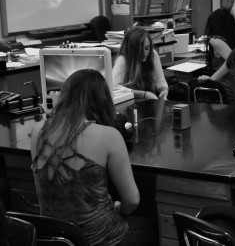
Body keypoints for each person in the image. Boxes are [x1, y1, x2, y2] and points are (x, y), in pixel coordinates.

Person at [30, 69, 153, 246]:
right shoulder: (109, 135)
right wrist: (119, 208)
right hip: (101, 239)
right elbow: (132, 201)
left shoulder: (37, 130)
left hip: (54, 237)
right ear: (101, 100)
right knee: (147, 227)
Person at [197, 8, 235, 104]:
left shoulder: (215, 40)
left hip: (228, 87)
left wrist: (212, 79)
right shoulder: (234, 39)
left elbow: (231, 60)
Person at [113, 27, 168, 100]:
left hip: (150, 103)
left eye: (147, 48)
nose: (144, 53)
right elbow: (114, 87)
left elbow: (161, 82)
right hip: (130, 105)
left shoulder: (153, 54)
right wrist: (143, 94)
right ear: (132, 50)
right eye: (139, 50)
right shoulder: (123, 59)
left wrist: (164, 91)